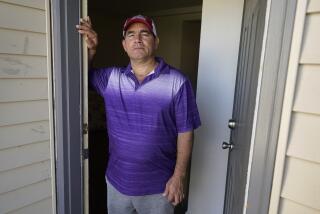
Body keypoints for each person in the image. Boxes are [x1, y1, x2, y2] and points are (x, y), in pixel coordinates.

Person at [77, 15, 201, 214]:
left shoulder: (177, 82)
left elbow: (186, 131)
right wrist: (92, 50)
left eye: (145, 33)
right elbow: (82, 76)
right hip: (117, 182)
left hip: (159, 188)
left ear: (156, 42)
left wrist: (178, 177)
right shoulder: (111, 78)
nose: (137, 39)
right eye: (131, 34)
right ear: (124, 44)